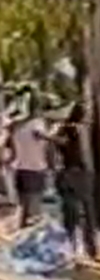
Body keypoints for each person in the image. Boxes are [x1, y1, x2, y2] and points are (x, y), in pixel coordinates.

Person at [52, 102, 98, 259]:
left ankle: (72, 245)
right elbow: (84, 154)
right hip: (82, 173)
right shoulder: (81, 129)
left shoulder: (65, 128)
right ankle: (90, 246)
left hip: (70, 172)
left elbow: (59, 145)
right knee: (88, 211)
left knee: (70, 213)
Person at [6, 93, 50, 228]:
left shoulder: (18, 126)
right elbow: (40, 134)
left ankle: (24, 240)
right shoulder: (38, 124)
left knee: (24, 210)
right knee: (34, 214)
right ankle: (32, 244)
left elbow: (11, 150)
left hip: (20, 170)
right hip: (35, 170)